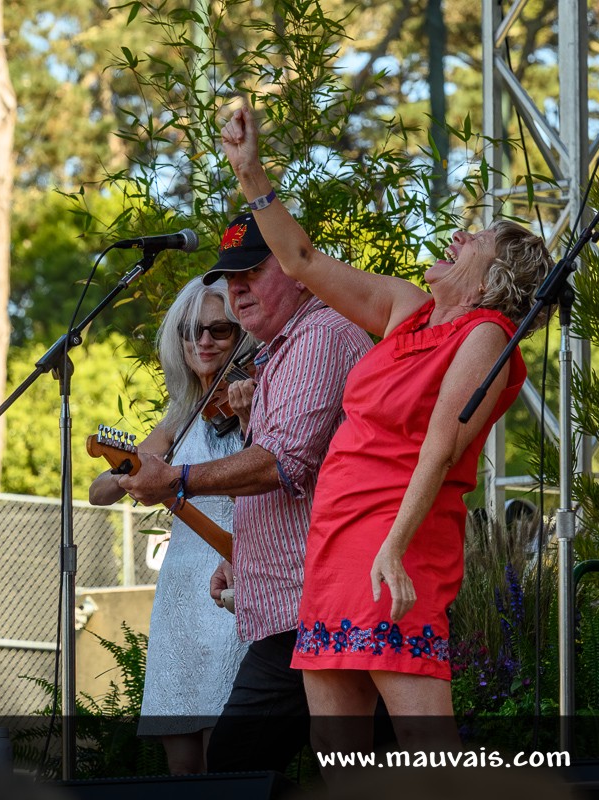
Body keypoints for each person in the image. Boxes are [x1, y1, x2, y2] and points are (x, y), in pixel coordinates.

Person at [219, 106, 554, 762]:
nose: (460, 237)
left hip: (394, 543)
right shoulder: (409, 309)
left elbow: (441, 445)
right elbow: (303, 259)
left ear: (492, 280)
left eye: (476, 240)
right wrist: (250, 173)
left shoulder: (484, 335)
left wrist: (394, 548)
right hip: (337, 541)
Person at [118, 214, 373, 773]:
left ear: (300, 271)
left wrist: (179, 479)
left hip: (316, 600)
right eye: (231, 277)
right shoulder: (282, 348)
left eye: (252, 272)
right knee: (303, 763)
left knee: (261, 763)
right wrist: (247, 561)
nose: (236, 290)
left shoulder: (319, 336)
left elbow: (283, 462)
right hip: (291, 601)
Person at [89, 276, 250, 775]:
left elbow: (273, 475)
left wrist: (249, 420)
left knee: (223, 748)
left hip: (231, 575)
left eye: (218, 330)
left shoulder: (256, 397)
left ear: (242, 335)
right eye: (190, 331)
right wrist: (129, 471)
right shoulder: (179, 419)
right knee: (179, 756)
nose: (202, 342)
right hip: (179, 585)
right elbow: (98, 492)